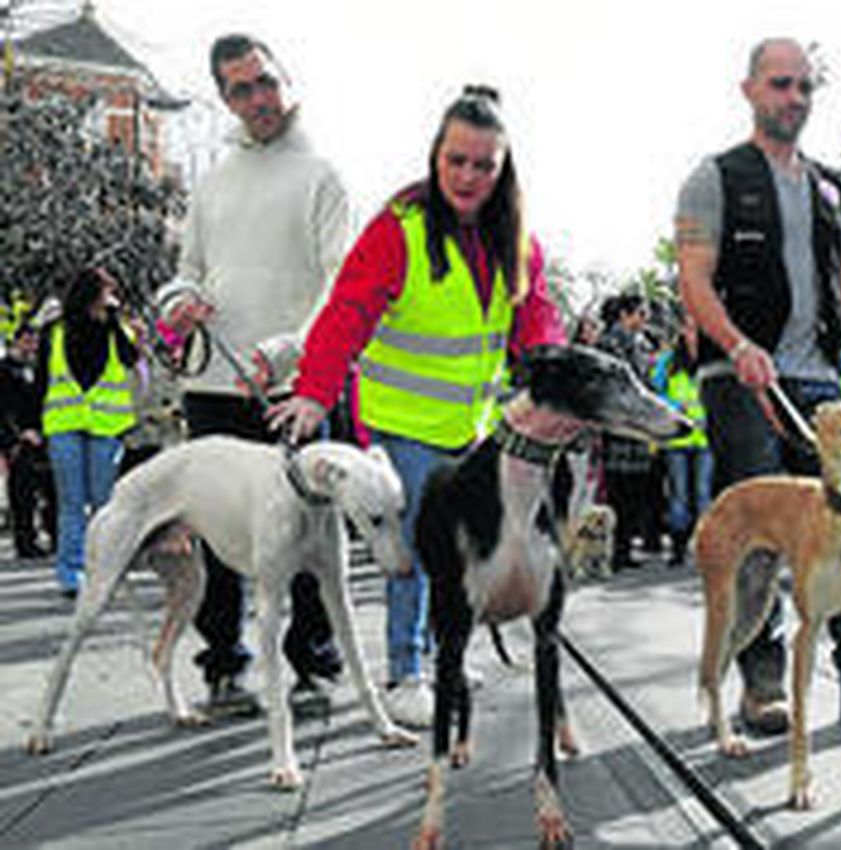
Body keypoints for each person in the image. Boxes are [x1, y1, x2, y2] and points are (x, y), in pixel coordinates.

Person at [269, 85, 576, 728]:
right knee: (413, 549)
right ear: (436, 156)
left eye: (483, 165)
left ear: (503, 168)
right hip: (401, 424)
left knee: (462, 552)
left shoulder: (517, 242)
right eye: (456, 160)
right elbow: (346, 313)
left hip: (471, 428)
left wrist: (554, 387)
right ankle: (405, 672)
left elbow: (538, 324)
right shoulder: (399, 229)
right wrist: (313, 392)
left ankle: (443, 656)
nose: (467, 176)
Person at [676, 37, 841, 738]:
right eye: (781, 85)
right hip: (743, 378)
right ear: (750, 90)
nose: (794, 98)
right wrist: (737, 345)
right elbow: (693, 280)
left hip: (823, 379)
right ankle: (761, 683)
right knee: (760, 535)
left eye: (804, 87)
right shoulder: (713, 178)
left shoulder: (829, 186)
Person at [164, 34, 347, 719]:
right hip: (212, 383)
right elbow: (187, 270)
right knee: (217, 533)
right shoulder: (211, 184)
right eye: (240, 90)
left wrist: (289, 352)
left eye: (264, 82)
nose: (258, 99)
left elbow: (341, 291)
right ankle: (222, 666)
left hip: (291, 388)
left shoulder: (323, 176)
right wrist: (178, 302)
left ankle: (314, 663)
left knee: (309, 535)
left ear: (286, 76)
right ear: (224, 99)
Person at [38, 269, 138, 597]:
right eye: (107, 291)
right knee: (71, 502)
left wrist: (113, 320)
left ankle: (104, 570)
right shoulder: (54, 331)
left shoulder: (117, 330)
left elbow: (129, 359)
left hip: (106, 427)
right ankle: (71, 573)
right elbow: (41, 379)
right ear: (91, 292)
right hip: (64, 425)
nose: (111, 298)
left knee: (103, 503)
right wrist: (31, 426)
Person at [596, 293, 660, 570]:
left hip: (640, 427)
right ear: (624, 314)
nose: (645, 320)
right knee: (616, 490)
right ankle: (613, 552)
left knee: (636, 491)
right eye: (640, 314)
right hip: (617, 425)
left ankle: (625, 548)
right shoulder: (608, 342)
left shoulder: (643, 343)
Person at [652, 317, 714, 566]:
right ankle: (678, 548)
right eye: (690, 327)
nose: (694, 332)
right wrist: (679, 407)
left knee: (703, 495)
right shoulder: (667, 362)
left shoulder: (711, 356)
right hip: (676, 439)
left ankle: (707, 547)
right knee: (679, 495)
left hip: (704, 439)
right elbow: (655, 393)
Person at [1, 317, 54, 559]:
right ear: (17, 341)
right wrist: (15, 436)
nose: (31, 346)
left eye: (35, 342)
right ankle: (25, 540)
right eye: (27, 341)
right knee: (23, 494)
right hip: (19, 438)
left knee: (51, 489)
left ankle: (54, 534)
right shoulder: (4, 370)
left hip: (45, 434)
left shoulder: (43, 368)